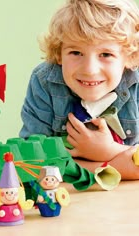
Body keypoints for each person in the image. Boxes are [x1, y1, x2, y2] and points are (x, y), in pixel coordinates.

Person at [19, 0, 139, 180]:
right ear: (59, 53)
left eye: (105, 54)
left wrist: (107, 150)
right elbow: (30, 162)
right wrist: (108, 167)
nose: (89, 69)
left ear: (130, 57)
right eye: (76, 53)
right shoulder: (44, 82)